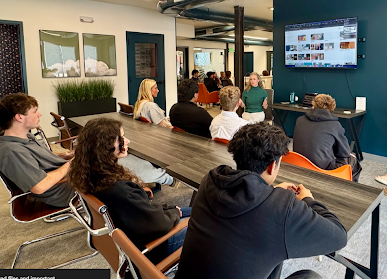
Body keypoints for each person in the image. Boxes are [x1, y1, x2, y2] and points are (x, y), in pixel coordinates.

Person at [176, 122, 347, 279]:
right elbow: (339, 237)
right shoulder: (282, 210)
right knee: (310, 277)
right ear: (273, 166)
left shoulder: (211, 180)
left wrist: (270, 193)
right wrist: (308, 200)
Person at [68, 118, 190, 264]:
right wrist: (176, 212)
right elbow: (158, 225)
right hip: (153, 248)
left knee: (195, 212)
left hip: (135, 232)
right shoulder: (122, 192)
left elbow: (140, 210)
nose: (127, 141)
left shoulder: (91, 175)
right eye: (121, 138)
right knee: (213, 223)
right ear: (106, 146)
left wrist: (169, 210)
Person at [0, 93, 74, 207]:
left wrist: (67, 155)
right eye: (34, 111)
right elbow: (39, 186)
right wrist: (72, 164)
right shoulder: (12, 151)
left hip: (67, 178)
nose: (39, 114)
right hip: (61, 191)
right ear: (19, 117)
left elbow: (41, 159)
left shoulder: (27, 137)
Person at [293, 94, 362, 182]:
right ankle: (349, 188)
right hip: (323, 168)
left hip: (299, 163)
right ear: (331, 109)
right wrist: (349, 154)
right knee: (353, 160)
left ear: (313, 106)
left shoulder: (300, 120)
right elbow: (344, 153)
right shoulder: (335, 125)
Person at [127, 79, 175, 185]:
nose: (158, 90)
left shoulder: (139, 104)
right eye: (155, 88)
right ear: (149, 90)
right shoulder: (151, 106)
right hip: (159, 140)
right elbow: (163, 125)